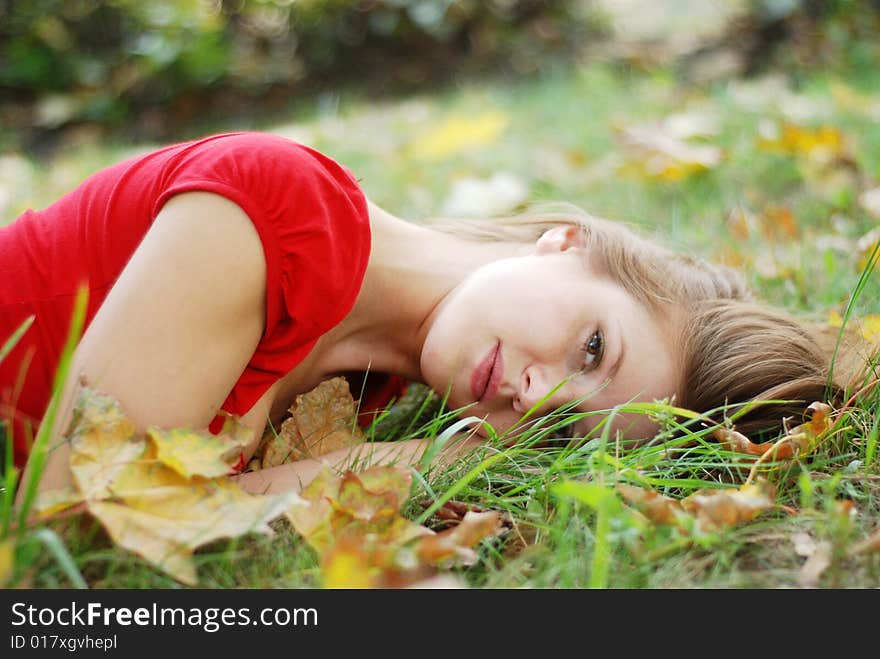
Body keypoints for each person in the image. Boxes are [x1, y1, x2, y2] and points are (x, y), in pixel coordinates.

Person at [0, 131, 850, 497]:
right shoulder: (284, 214)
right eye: (594, 349)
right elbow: (75, 524)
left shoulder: (363, 390)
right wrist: (402, 461)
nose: (536, 398)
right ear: (571, 242)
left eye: (563, 434)